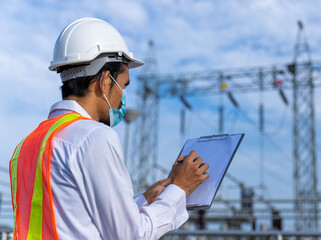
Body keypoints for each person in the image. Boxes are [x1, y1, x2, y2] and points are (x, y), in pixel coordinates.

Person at [9, 17, 209, 240]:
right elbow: (130, 236)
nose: (122, 97)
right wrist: (179, 188)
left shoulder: (27, 145)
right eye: (123, 86)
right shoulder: (93, 137)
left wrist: (144, 199)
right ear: (105, 81)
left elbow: (74, 218)